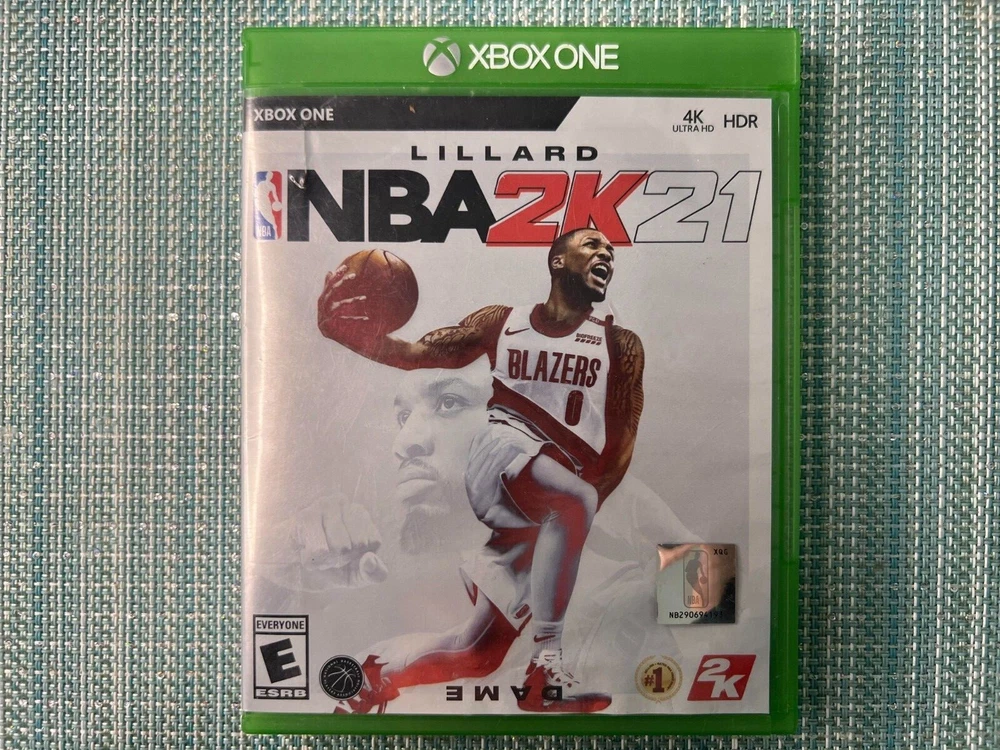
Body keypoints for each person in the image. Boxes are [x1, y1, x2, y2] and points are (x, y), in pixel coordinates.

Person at [318, 228, 645, 713]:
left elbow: (621, 443)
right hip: (503, 452)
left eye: (611, 251)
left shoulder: (620, 344)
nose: (606, 255)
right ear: (558, 262)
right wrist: (347, 334)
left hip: (551, 500)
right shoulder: (502, 322)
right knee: (576, 499)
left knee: (479, 653)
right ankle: (547, 662)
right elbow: (415, 355)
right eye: (592, 246)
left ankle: (372, 679)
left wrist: (582, 513)